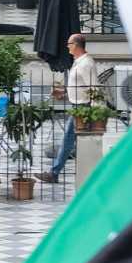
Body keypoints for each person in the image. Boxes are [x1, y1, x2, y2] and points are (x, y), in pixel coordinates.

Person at [42, 32, 100, 183]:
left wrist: (94, 111)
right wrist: (63, 93)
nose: (67, 46)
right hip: (78, 106)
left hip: (83, 108)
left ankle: (55, 173)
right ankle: (55, 173)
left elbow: (93, 88)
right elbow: (80, 87)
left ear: (76, 45)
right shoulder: (79, 61)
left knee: (74, 142)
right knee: (73, 142)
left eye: (69, 44)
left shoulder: (86, 63)